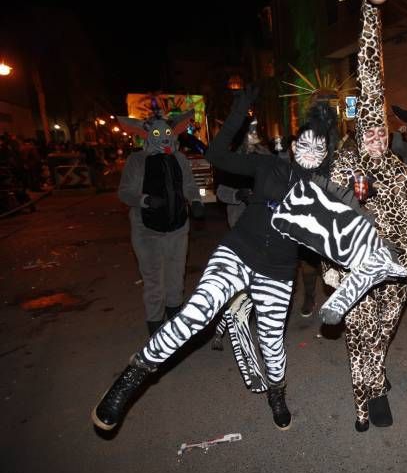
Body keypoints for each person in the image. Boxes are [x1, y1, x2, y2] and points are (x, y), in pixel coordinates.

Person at [92, 89, 342, 433]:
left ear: (327, 154)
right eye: (304, 143)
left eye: (319, 148)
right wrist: (238, 113)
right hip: (238, 251)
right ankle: (130, 378)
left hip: (278, 271)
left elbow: (337, 232)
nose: (309, 153)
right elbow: (216, 155)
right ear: (294, 144)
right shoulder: (268, 163)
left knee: (271, 345)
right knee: (197, 312)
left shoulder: (325, 189)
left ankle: (277, 392)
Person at [117, 110, 204, 337]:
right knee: (155, 282)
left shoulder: (180, 158)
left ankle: (174, 329)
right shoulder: (137, 160)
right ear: (147, 134)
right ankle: (156, 332)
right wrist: (144, 200)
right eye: (157, 132)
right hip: (147, 230)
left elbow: (189, 185)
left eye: (167, 131)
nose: (164, 136)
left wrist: (195, 200)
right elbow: (124, 192)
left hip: (178, 227)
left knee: (176, 278)